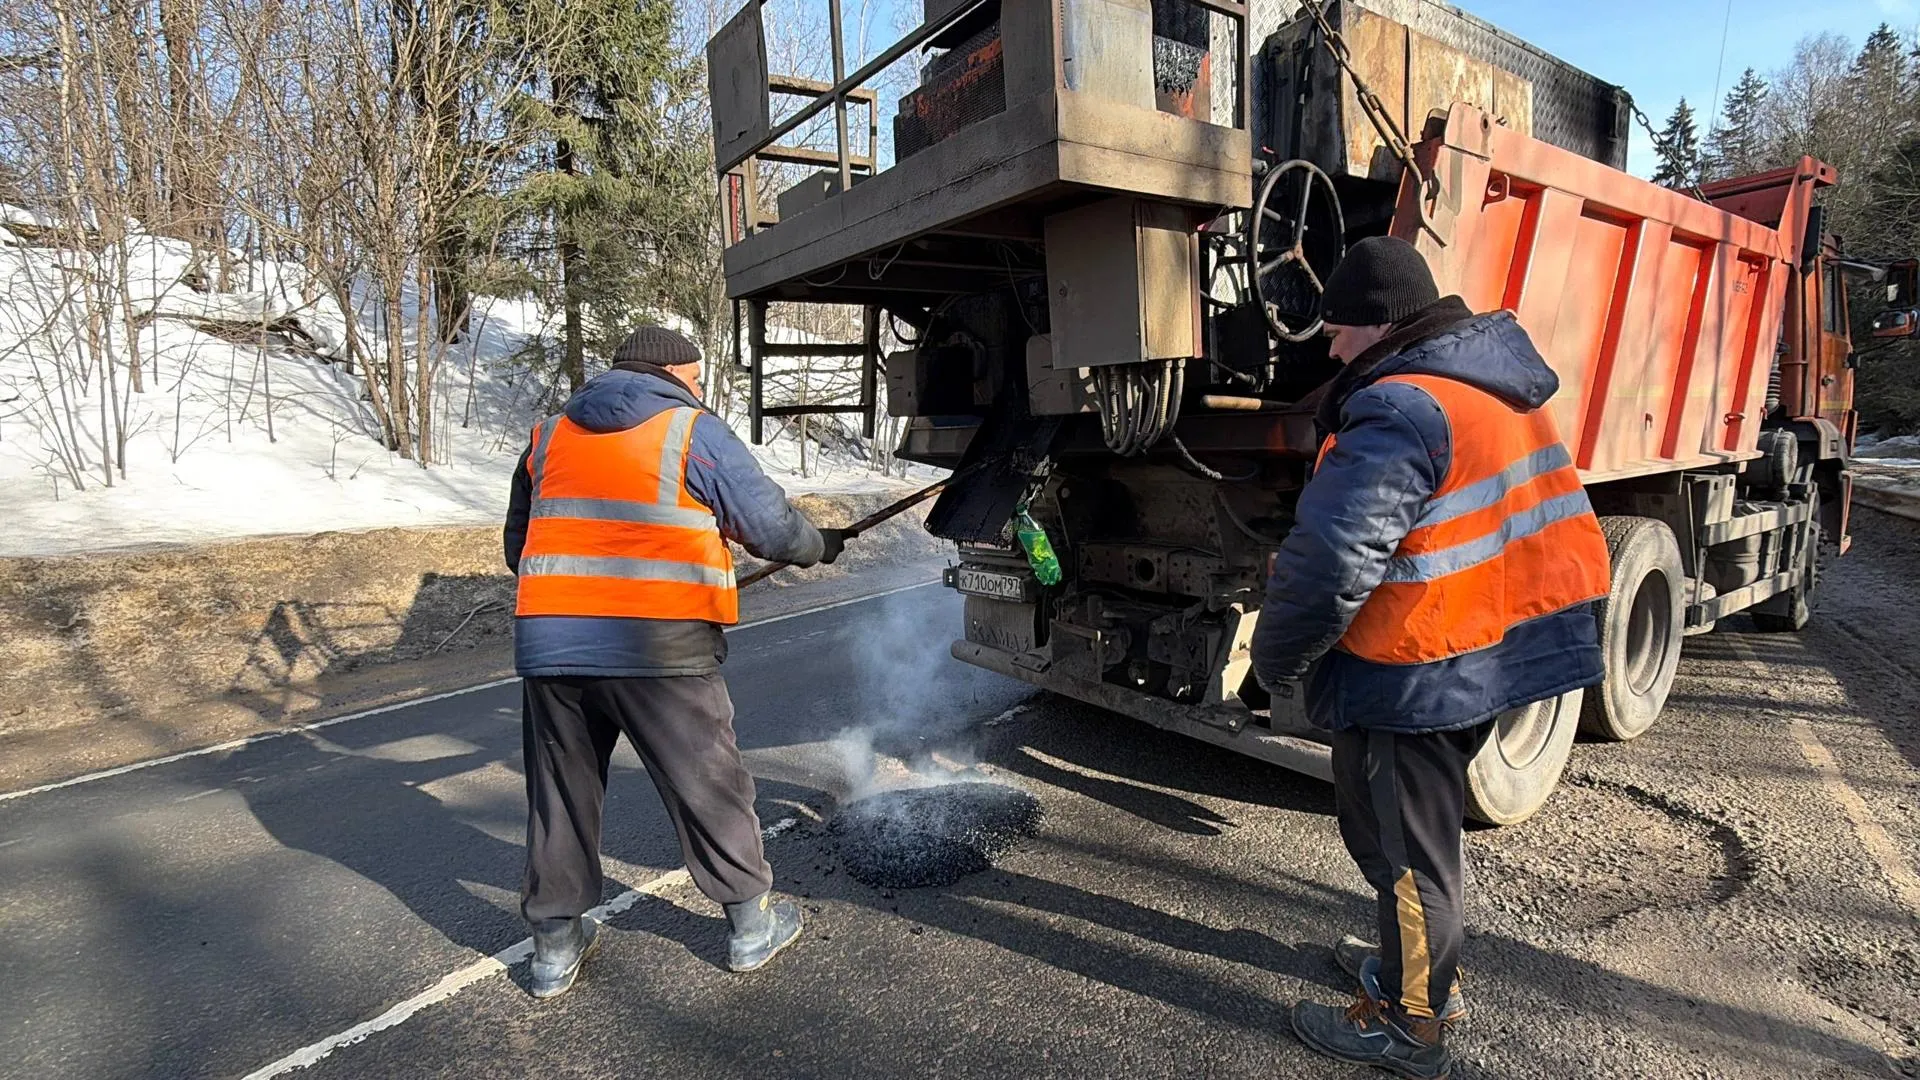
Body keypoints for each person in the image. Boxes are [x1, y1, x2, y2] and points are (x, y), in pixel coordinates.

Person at [1251, 236, 1611, 1078]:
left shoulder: (1401, 406)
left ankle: (1413, 1024)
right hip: (1481, 644)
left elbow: (1335, 562)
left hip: (1428, 664)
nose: (1331, 345)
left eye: (1339, 330)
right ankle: (1409, 966)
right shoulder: (1481, 381)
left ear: (1379, 325)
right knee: (1397, 837)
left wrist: (1276, 661)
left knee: (1409, 854)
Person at [502, 325, 847, 999]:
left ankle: (551, 951)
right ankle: (750, 928)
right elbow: (771, 529)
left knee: (560, 798)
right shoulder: (690, 429)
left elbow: (521, 546)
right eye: (695, 379)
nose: (697, 389)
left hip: (553, 649)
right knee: (708, 785)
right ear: (678, 376)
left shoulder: (549, 436)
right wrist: (821, 547)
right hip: (660, 647)